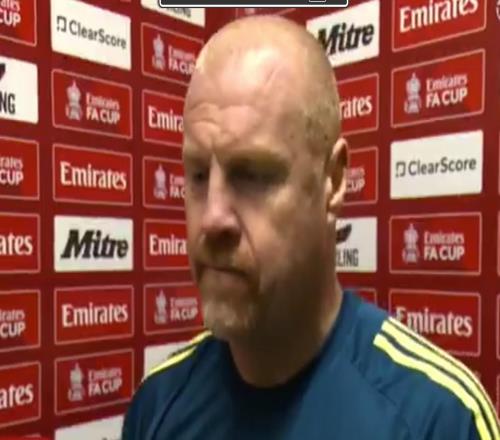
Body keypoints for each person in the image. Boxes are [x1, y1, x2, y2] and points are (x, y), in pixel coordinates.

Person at [122, 15, 500, 440]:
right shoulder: (158, 404)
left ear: (332, 181)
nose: (212, 218)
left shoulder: (440, 419)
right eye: (197, 175)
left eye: (253, 174)